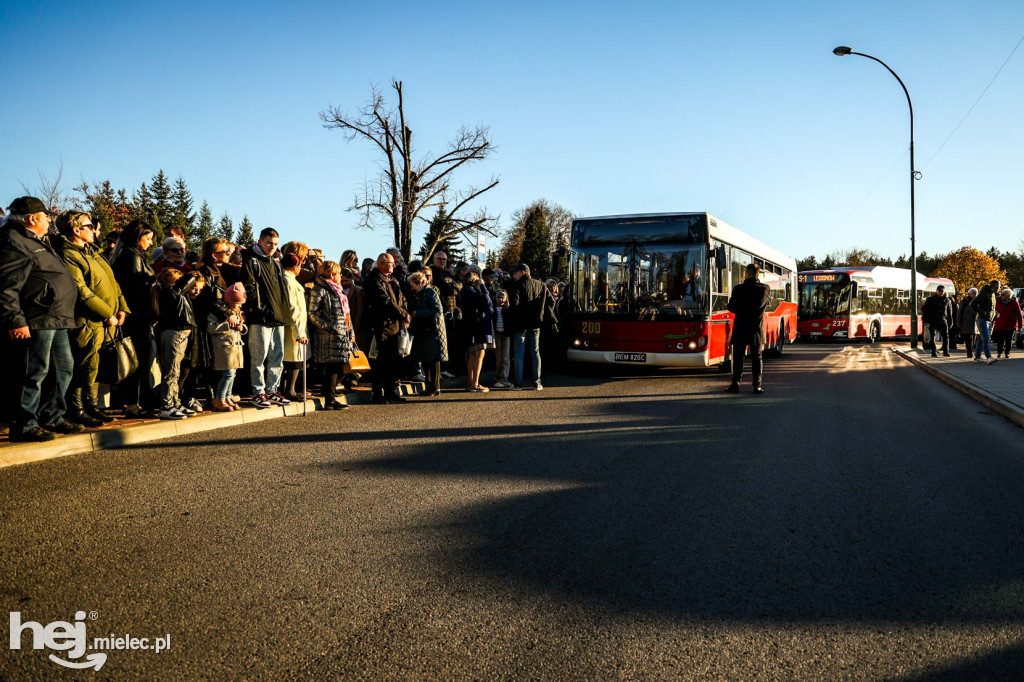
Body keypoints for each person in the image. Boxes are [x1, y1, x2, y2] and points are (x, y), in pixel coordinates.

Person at [0, 197, 82, 441]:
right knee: (34, 372)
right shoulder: (13, 241)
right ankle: (24, 423)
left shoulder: (34, 240)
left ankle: (51, 415)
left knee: (63, 368)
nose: (49, 220)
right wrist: (15, 320)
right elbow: (6, 286)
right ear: (32, 218)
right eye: (46, 216)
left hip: (57, 318)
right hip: (36, 318)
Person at [53, 210, 128, 427]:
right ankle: (76, 409)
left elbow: (112, 282)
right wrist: (107, 313)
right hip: (87, 321)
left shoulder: (92, 252)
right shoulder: (68, 255)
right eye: (89, 226)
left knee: (94, 365)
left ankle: (92, 406)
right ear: (76, 230)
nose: (94, 230)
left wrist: (121, 307)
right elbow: (82, 292)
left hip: (107, 322)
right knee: (83, 364)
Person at [110, 219, 157, 417]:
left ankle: (131, 402)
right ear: (138, 238)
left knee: (135, 361)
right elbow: (137, 289)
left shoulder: (130, 254)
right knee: (136, 362)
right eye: (148, 238)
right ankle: (132, 404)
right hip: (137, 317)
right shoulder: (131, 257)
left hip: (136, 316)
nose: (151, 243)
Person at [240, 227, 292, 408]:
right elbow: (249, 287)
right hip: (260, 318)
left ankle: (272, 390)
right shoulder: (251, 261)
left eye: (275, 244)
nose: (272, 246)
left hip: (278, 317)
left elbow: (282, 290)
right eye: (269, 242)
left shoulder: (276, 261)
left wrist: (285, 313)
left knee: (277, 357)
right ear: (260, 241)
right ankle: (258, 392)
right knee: (258, 357)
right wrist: (259, 309)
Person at [364, 252, 410, 404]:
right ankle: (377, 392)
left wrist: (404, 315)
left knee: (392, 360)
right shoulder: (374, 280)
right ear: (382, 264)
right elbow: (385, 301)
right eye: (391, 263)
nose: (394, 266)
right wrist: (403, 313)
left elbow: (401, 298)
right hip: (381, 325)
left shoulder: (392, 279)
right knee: (380, 361)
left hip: (394, 325)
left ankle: (390, 391)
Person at [308, 261, 354, 410]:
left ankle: (331, 397)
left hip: (342, 334)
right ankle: (330, 400)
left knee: (340, 367)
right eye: (339, 273)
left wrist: (350, 331)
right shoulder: (320, 290)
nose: (341, 276)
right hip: (328, 336)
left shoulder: (338, 291)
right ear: (332, 274)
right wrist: (330, 327)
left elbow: (346, 314)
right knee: (332, 368)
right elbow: (312, 314)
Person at [154, 268, 200, 419]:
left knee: (176, 370)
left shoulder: (177, 295)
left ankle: (175, 401)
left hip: (180, 332)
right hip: (174, 333)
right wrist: (191, 276)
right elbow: (181, 287)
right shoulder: (170, 293)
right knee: (171, 371)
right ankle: (166, 405)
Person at [506, 263, 556, 391]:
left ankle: (518, 383)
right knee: (535, 352)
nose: (514, 275)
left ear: (524, 272)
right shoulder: (541, 285)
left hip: (520, 324)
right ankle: (537, 382)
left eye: (516, 273)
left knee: (519, 354)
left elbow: (514, 304)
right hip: (535, 324)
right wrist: (542, 314)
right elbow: (551, 301)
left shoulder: (517, 285)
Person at [725, 262, 771, 394]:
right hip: (756, 329)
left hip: (740, 328)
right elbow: (765, 304)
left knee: (738, 357)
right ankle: (757, 385)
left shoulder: (738, 288)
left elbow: (731, 308)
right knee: (757, 357)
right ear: (757, 274)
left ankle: (736, 384)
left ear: (747, 273)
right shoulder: (765, 289)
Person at [406, 271, 447, 396]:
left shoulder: (430, 292)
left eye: (412, 285)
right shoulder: (421, 293)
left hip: (432, 331)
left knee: (433, 361)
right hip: (424, 331)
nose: (411, 287)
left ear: (419, 283)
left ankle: (434, 387)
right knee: (425, 359)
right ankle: (430, 387)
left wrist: (418, 313)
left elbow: (437, 310)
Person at [208, 282, 247, 411]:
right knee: (228, 374)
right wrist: (227, 325)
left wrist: (242, 328)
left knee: (232, 373)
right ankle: (220, 398)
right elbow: (210, 328)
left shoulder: (236, 311)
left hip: (234, 347)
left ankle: (227, 397)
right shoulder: (219, 312)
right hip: (224, 346)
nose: (238, 305)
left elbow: (242, 326)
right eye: (236, 303)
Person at [459, 268, 495, 392]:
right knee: (479, 354)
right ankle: (475, 383)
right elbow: (486, 299)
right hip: (477, 327)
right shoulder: (471, 291)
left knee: (472, 355)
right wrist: (483, 286)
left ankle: (470, 382)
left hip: (471, 327)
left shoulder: (465, 290)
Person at [281, 251, 310, 401]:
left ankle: (289, 389)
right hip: (292, 327)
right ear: (294, 266)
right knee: (294, 360)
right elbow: (293, 307)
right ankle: (289, 390)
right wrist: (300, 333)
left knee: (294, 359)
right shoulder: (289, 281)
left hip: (294, 325)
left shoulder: (289, 279)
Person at [430, 251, 461, 379]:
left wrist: (452, 287)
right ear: (434, 259)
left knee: (450, 342)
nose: (442, 261)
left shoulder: (447, 273)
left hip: (452, 311)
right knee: (440, 342)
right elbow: (448, 289)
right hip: (441, 312)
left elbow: (457, 288)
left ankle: (446, 368)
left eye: (444, 259)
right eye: (439, 259)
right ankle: (440, 369)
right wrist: (451, 287)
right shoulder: (433, 273)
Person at [970, 279, 999, 364]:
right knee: (986, 338)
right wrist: (982, 312)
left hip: (989, 319)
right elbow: (973, 303)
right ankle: (988, 357)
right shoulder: (984, 293)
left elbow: (991, 307)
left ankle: (977, 356)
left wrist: (995, 313)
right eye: (997, 286)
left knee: (983, 339)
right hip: (982, 319)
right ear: (994, 286)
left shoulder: (993, 294)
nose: (998, 288)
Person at [922, 285, 954, 357]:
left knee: (945, 336)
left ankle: (946, 351)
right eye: (939, 291)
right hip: (932, 320)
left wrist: (950, 322)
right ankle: (933, 351)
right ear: (936, 291)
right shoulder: (930, 299)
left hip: (943, 320)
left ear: (944, 291)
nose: (940, 292)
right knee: (932, 337)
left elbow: (949, 312)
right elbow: (925, 310)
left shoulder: (947, 300)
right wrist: (925, 321)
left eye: (942, 291)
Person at [491, 288, 513, 388]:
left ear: (506, 298)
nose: (500, 299)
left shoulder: (508, 309)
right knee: (498, 358)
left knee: (506, 358)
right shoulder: (493, 309)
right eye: (498, 297)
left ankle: (504, 378)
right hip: (497, 335)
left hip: (506, 335)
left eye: (502, 297)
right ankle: (498, 377)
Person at [993, 287, 1023, 359]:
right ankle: (999, 352)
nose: (1001, 296)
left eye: (1003, 295)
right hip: (1000, 324)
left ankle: (1007, 353)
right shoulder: (998, 302)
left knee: (1008, 340)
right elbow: (994, 311)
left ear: (1008, 295)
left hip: (1010, 324)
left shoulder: (1014, 303)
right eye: (1001, 294)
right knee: (1000, 340)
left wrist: (1020, 325)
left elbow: (1019, 314)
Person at [958, 288, 979, 358]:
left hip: (975, 322)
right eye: (973, 293)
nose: (975, 295)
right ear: (969, 294)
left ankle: (972, 351)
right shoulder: (964, 301)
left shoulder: (978, 302)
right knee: (968, 338)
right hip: (966, 322)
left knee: (974, 338)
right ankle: (969, 352)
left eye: (976, 293)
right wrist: (959, 323)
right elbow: (959, 313)